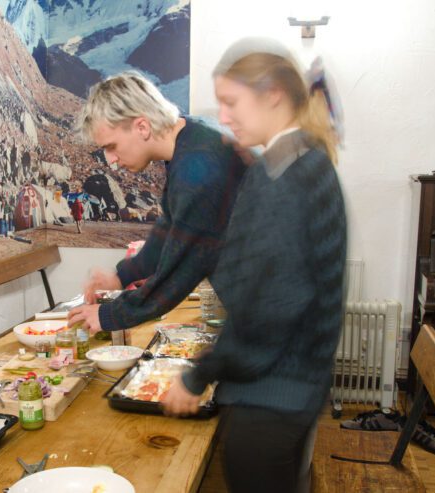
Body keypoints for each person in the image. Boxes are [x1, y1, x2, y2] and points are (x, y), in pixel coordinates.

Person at [160, 38, 347, 493]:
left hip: (270, 398)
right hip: (297, 389)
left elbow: (268, 308)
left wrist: (195, 375)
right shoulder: (308, 160)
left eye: (230, 102)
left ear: (273, 95)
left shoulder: (281, 176)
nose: (222, 117)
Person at [67, 72, 246, 333]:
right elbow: (170, 229)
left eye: (112, 146)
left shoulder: (199, 163)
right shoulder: (192, 139)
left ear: (142, 126)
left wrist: (110, 315)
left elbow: (183, 266)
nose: (111, 161)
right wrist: (121, 276)